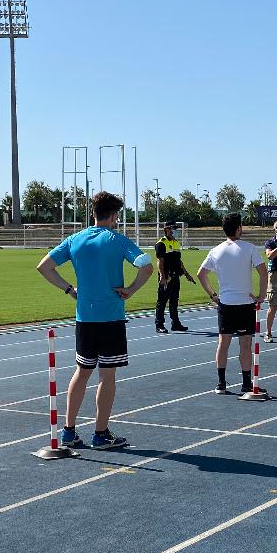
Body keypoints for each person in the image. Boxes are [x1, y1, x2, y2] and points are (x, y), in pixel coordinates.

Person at [37, 191, 153, 449]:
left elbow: (44, 266)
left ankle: (68, 431)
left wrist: (69, 289)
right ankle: (100, 433)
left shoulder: (74, 240)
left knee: (82, 371)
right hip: (110, 316)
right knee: (107, 375)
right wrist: (131, 290)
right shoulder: (119, 240)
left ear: (93, 214)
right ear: (114, 216)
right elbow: (147, 265)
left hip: (84, 317)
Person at [198, 213, 268, 394]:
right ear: (238, 228)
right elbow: (263, 272)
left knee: (223, 343)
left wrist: (213, 294)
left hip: (225, 303)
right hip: (245, 303)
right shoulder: (250, 248)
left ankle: (221, 383)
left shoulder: (215, 251)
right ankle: (246, 383)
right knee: (245, 345)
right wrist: (261, 295)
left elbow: (201, 274)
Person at [153, 222, 194, 334]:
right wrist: (162, 277)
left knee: (174, 301)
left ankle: (175, 323)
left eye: (176, 228)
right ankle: (159, 325)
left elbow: (178, 261)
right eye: (173, 228)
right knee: (162, 302)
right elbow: (160, 261)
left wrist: (186, 274)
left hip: (176, 276)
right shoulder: (161, 243)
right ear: (167, 229)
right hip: (166, 277)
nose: (175, 230)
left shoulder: (176, 243)